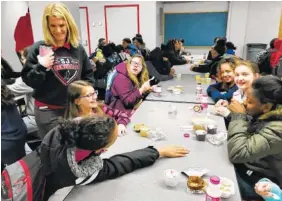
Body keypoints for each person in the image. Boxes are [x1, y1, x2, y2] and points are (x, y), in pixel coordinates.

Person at [41, 115, 189, 200]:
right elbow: (117, 165)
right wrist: (158, 152)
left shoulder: (67, 133)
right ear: (102, 149)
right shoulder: (77, 172)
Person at [21, 2, 95, 139]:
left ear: (68, 24)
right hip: (48, 112)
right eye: (53, 26)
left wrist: (86, 98)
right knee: (56, 150)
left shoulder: (77, 49)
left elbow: (88, 77)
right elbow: (29, 81)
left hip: (73, 109)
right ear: (47, 26)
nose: (58, 30)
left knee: (74, 147)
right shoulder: (39, 48)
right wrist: (41, 66)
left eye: (61, 25)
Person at [227, 75, 282, 200]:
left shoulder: (278, 130)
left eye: (250, 101)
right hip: (248, 167)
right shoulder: (265, 115)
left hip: (262, 182)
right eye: (246, 98)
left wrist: (238, 116)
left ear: (267, 107)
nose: (245, 103)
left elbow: (238, 153)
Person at [65, 80, 130, 136]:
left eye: (94, 93)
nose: (95, 97)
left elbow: (122, 114)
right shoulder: (75, 124)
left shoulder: (100, 107)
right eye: (89, 95)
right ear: (77, 101)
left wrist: (121, 124)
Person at [1, 74, 27, 170]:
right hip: (20, 134)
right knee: (21, 166)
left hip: (7, 141)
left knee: (14, 173)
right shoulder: (5, 91)